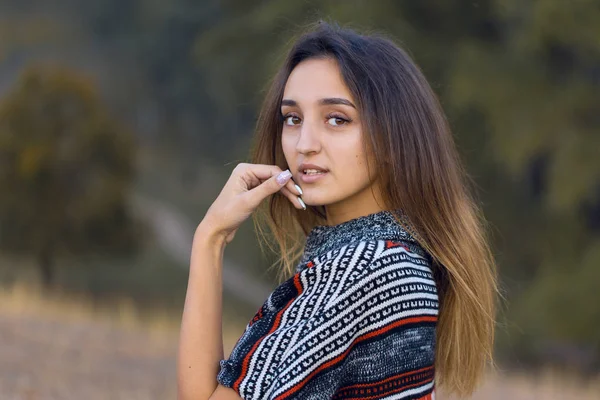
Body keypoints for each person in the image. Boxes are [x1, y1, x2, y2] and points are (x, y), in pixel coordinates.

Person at [177, 20, 498, 400]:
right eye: (293, 118)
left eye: (337, 119)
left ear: (394, 138)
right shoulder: (399, 258)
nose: (304, 144)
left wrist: (210, 238)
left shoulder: (362, 268)